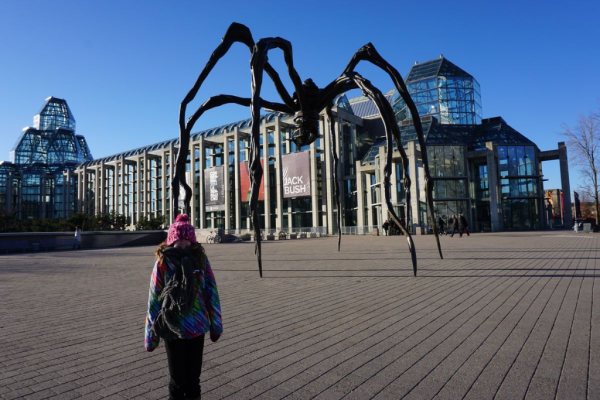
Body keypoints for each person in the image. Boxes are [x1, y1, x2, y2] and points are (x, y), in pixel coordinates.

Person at [145, 214, 223, 400]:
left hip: (197, 327)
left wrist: (216, 325)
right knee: (177, 380)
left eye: (186, 238)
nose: (182, 242)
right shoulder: (163, 262)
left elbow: (211, 293)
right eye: (178, 238)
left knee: (193, 379)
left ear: (192, 240)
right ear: (171, 239)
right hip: (172, 328)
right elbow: (154, 298)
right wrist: (151, 334)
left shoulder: (200, 260)